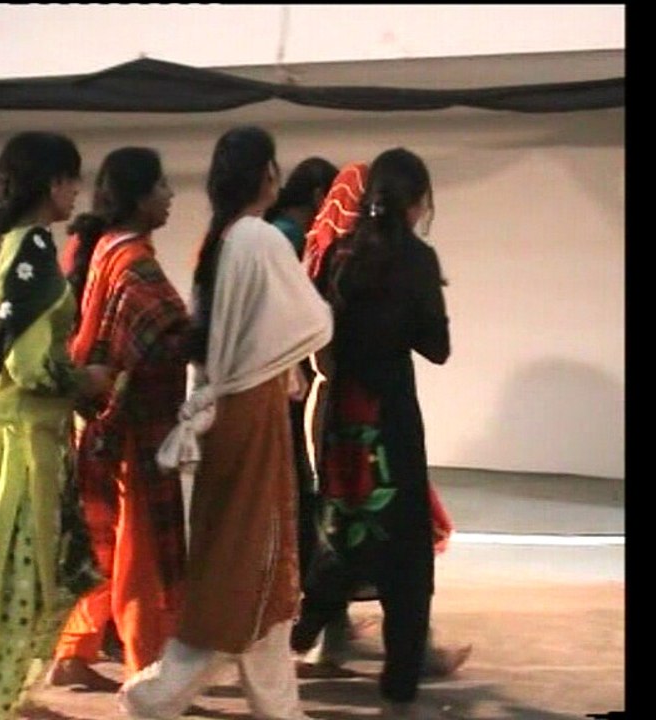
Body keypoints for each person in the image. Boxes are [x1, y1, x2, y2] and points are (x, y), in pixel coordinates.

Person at [119, 125, 332, 720]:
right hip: (252, 410)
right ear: (264, 174)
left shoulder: (220, 241)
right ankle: (155, 696)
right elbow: (313, 321)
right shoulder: (258, 239)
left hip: (234, 412)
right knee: (249, 566)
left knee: (254, 566)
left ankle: (276, 708)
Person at [0, 131, 113, 720]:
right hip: (20, 451)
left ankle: (5, 703)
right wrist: (86, 379)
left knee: (16, 590)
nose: (77, 191)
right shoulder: (33, 252)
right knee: (14, 591)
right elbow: (31, 367)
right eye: (72, 179)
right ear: (53, 182)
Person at [291, 147, 456, 717]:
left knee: (340, 532)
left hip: (343, 415)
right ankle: (400, 686)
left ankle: (299, 636)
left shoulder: (342, 255)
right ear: (417, 200)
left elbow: (320, 336)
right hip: (392, 416)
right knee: (407, 550)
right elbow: (437, 348)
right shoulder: (417, 259)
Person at [48, 147, 191, 690]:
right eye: (162, 186)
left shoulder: (103, 247)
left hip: (101, 421)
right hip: (133, 425)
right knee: (138, 551)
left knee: (105, 543)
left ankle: (75, 650)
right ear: (139, 196)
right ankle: (146, 667)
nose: (170, 196)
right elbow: (160, 342)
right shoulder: (134, 263)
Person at [264, 157, 339, 584]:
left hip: (281, 369)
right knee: (293, 470)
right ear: (318, 196)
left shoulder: (279, 233)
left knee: (293, 467)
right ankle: (304, 572)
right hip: (282, 372)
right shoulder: (289, 238)